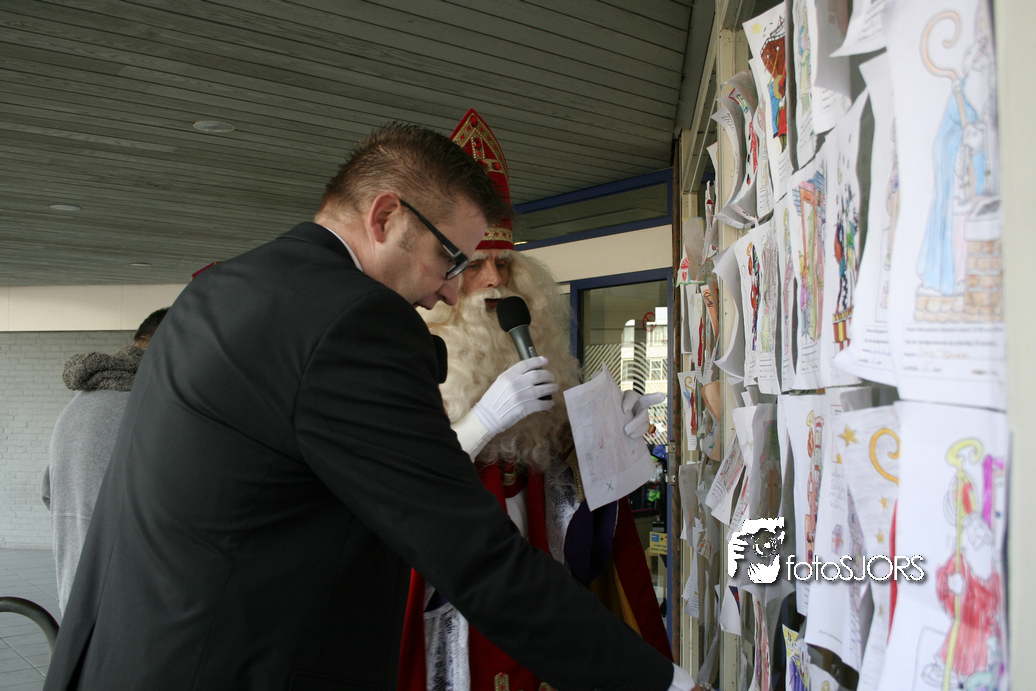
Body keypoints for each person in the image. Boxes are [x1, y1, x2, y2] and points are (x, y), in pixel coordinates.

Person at [43, 122, 695, 691]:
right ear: (386, 217)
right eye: (452, 259)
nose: (450, 293)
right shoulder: (356, 323)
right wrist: (664, 682)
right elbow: (473, 557)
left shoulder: (224, 291)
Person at [398, 110, 673, 691]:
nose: (494, 280)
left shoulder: (534, 348)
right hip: (455, 606)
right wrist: (480, 424)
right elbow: (397, 487)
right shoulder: (404, 359)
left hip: (539, 591)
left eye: (504, 264)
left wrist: (611, 438)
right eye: (475, 266)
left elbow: (576, 506)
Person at [42, 307, 168, 615]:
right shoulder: (155, 406)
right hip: (135, 607)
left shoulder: (79, 404)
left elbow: (50, 494)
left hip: (76, 598)